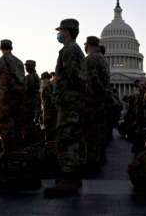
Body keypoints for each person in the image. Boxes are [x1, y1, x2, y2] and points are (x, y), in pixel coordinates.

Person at [45, 19, 86, 197]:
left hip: (69, 102)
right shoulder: (75, 49)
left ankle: (68, 179)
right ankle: (73, 177)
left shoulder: (69, 50)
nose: (59, 34)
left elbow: (74, 75)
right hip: (72, 100)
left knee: (66, 138)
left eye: (60, 30)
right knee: (71, 138)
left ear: (67, 32)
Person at [84, 36, 110, 171]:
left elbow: (93, 80)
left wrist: (96, 94)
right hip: (101, 102)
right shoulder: (103, 59)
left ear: (87, 44)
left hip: (92, 102)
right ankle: (99, 158)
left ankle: (92, 164)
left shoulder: (91, 59)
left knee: (91, 134)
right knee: (99, 132)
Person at [0, 39, 25, 152]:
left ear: (0, 48)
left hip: (6, 98)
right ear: (11, 48)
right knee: (17, 124)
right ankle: (17, 150)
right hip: (18, 98)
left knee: (5, 126)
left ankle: (8, 152)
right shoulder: (19, 62)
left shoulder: (1, 61)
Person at [23, 60, 41, 145]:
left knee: (27, 124)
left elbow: (24, 90)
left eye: (27, 66)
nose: (26, 67)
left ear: (32, 66)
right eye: (26, 66)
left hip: (28, 104)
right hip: (33, 103)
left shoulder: (29, 77)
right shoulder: (36, 76)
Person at [41, 71, 57, 141]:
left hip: (49, 110)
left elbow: (51, 99)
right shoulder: (51, 85)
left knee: (48, 127)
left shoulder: (47, 86)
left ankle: (49, 143)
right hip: (50, 110)